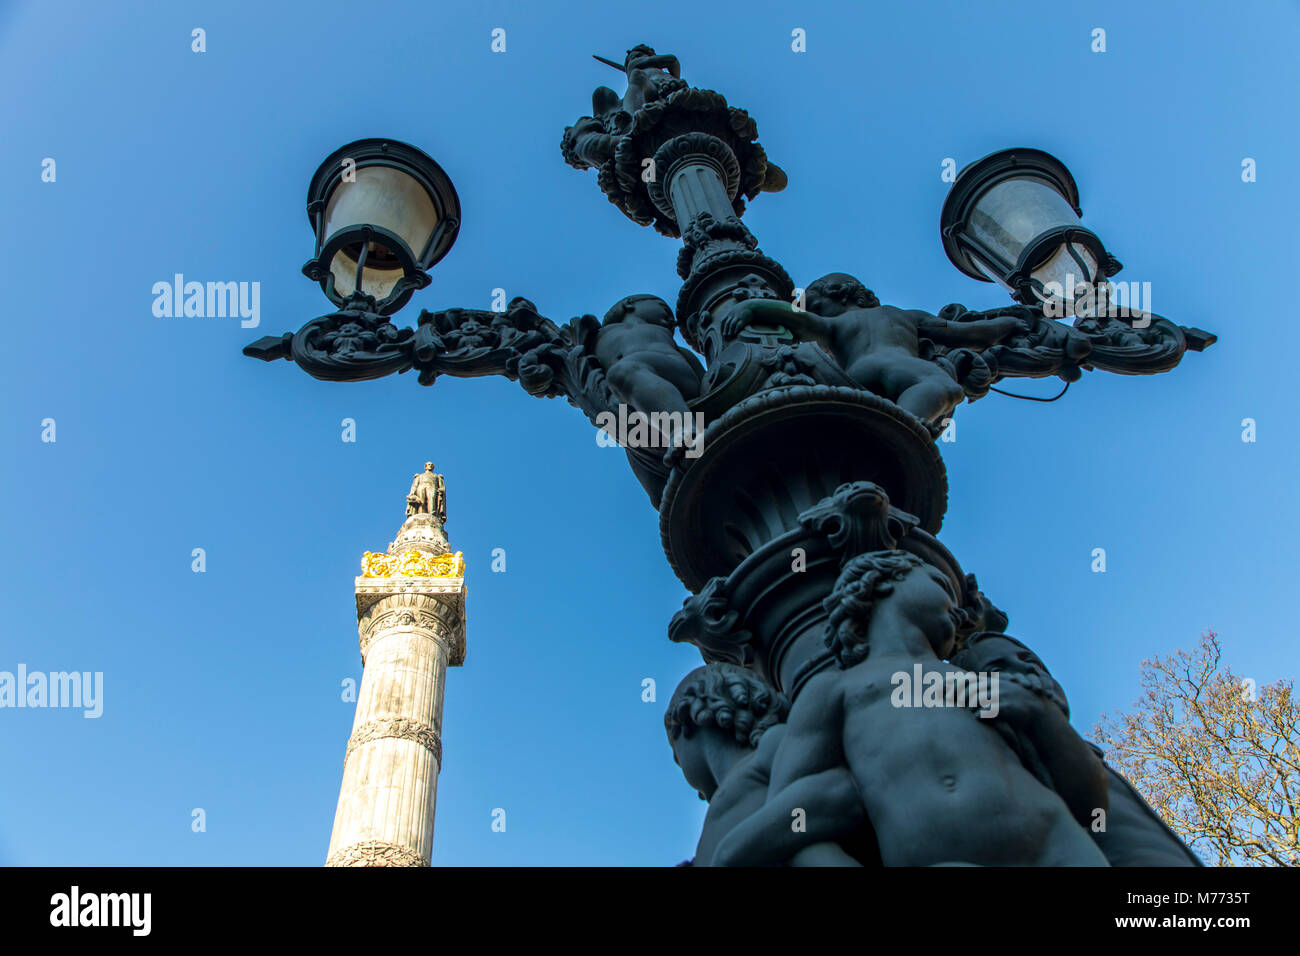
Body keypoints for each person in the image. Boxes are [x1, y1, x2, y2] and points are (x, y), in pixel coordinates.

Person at [722, 550, 1109, 866]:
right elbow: (788, 826)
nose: (959, 612)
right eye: (940, 585)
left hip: (1062, 851)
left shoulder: (988, 685)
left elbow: (1091, 808)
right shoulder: (835, 691)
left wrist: (1041, 716)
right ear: (882, 583)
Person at [721, 273, 1028, 426]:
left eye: (818, 305)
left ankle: (893, 428)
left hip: (856, 379)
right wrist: (1008, 323)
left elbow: (797, 320)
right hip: (899, 366)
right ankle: (907, 429)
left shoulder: (834, 327)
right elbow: (966, 333)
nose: (819, 312)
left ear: (839, 296)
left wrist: (752, 307)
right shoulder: (904, 316)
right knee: (944, 386)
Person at [665, 663, 863, 866]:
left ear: (691, 715)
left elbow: (841, 792)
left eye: (675, 749)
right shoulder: (716, 817)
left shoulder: (770, 747)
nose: (678, 762)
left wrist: (733, 852)